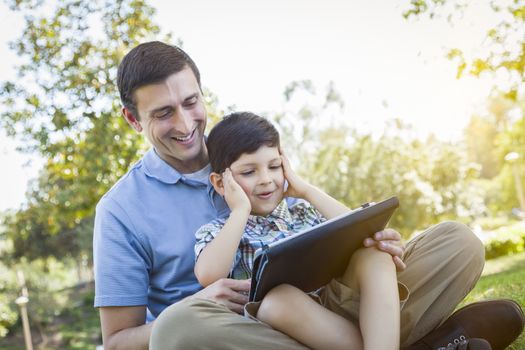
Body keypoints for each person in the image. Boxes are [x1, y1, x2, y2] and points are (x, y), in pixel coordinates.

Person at [93, 40, 525, 350]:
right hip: (238, 332)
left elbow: (327, 227)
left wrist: (377, 242)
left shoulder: (245, 149)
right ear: (133, 119)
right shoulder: (120, 210)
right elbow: (117, 342)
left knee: (457, 243)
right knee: (177, 328)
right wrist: (198, 301)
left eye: (191, 102)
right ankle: (428, 342)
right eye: (164, 113)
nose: (186, 124)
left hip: (326, 307)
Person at [194, 112, 401, 350]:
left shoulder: (304, 211)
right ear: (221, 183)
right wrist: (240, 210)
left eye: (274, 167)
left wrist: (305, 190)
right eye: (249, 172)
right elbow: (208, 275)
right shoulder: (221, 231)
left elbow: (359, 230)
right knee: (278, 300)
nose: (266, 179)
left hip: (332, 307)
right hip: (278, 327)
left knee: (375, 254)